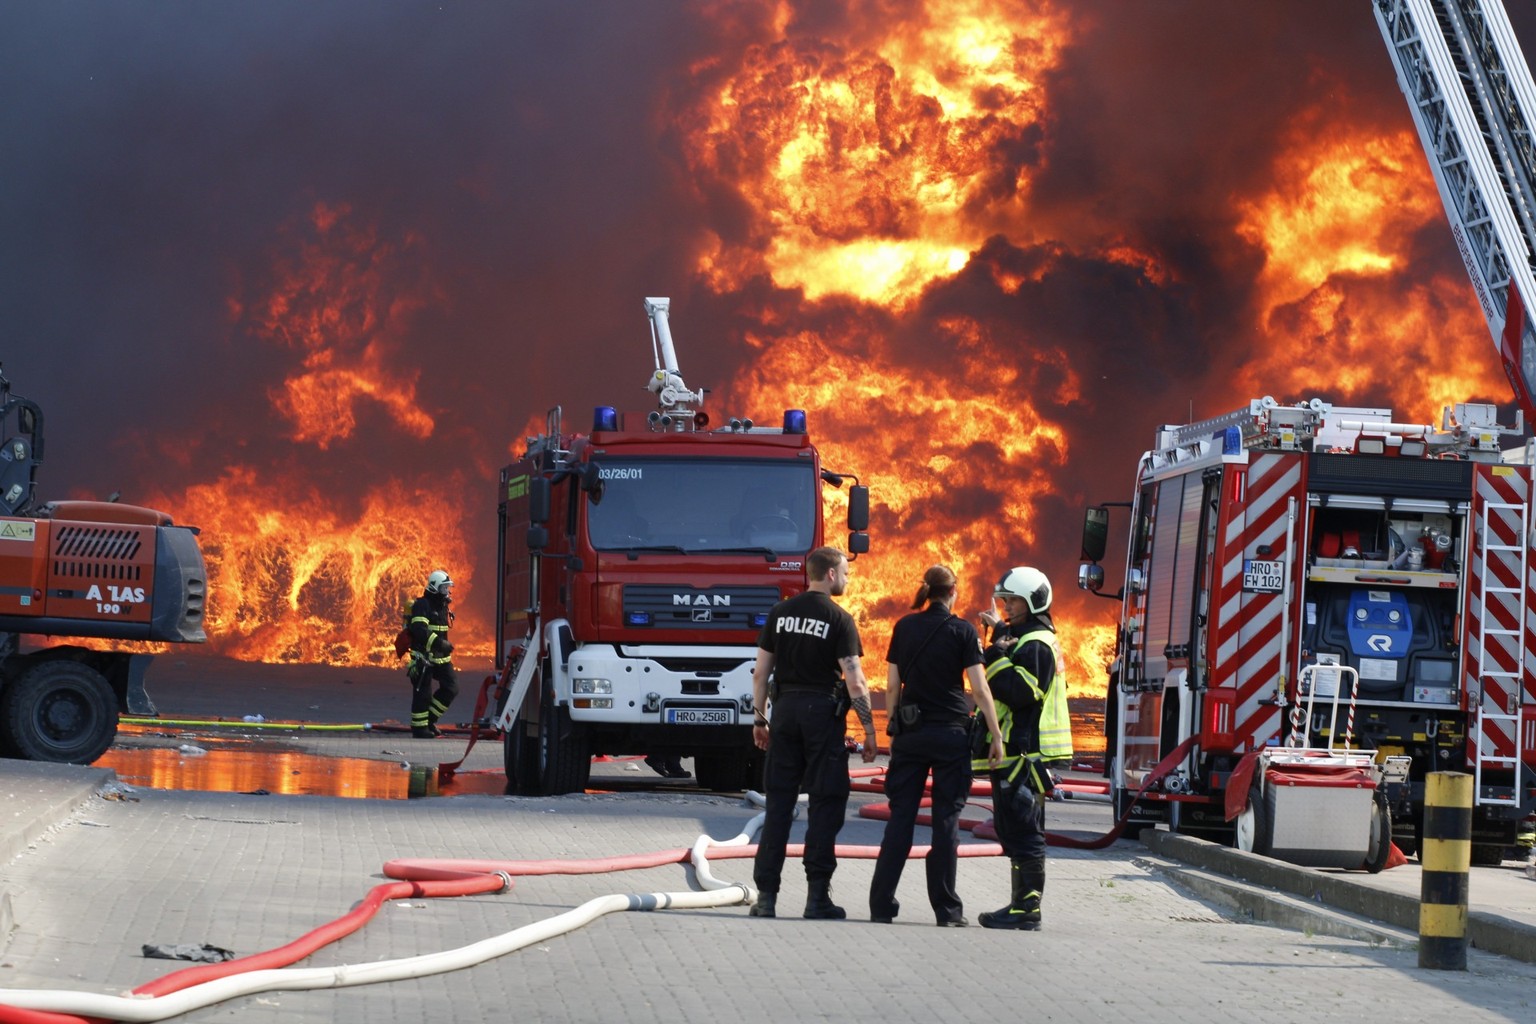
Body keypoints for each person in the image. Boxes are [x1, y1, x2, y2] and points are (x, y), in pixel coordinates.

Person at [869, 566, 1004, 927]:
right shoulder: (963, 631)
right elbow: (979, 689)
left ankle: (881, 905)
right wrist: (996, 735)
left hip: (912, 735)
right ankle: (947, 910)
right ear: (953, 592)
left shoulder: (904, 627)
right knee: (947, 821)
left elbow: (893, 686)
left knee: (900, 818)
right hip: (952, 736)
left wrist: (894, 728)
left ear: (928, 592)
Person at [749, 546, 878, 920]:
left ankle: (767, 897)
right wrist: (869, 730)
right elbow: (855, 681)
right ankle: (817, 897)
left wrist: (760, 721)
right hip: (822, 716)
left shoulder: (780, 613)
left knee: (778, 806)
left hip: (785, 713)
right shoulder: (839, 619)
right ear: (832, 574)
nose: (849, 581)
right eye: (847, 574)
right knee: (825, 803)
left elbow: (760, 674)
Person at [973, 566, 1073, 930]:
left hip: (1024, 754)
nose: (1008, 606)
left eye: (1013, 600)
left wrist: (992, 656)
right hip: (1015, 752)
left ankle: (1027, 910)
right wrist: (999, 633)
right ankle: (1020, 905)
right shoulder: (1023, 637)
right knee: (1011, 829)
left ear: (1034, 601)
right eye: (1005, 600)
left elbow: (1021, 694)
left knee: (1024, 833)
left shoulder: (1036, 645)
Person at [406, 569, 460, 738]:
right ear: (435, 587)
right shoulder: (423, 605)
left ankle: (429, 720)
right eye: (444, 588)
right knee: (424, 694)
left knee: (451, 688)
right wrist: (439, 643)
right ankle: (419, 729)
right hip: (424, 658)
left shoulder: (443, 606)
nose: (447, 591)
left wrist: (443, 647)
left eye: (448, 588)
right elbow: (418, 630)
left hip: (441, 659)